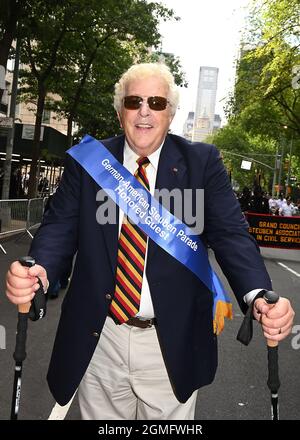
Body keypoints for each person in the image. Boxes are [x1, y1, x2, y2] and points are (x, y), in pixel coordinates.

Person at [6, 63, 294, 420]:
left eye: (156, 102)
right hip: (102, 340)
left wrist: (258, 294)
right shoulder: (89, 162)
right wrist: (38, 270)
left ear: (170, 114)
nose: (144, 110)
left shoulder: (202, 163)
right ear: (119, 112)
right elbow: (58, 229)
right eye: (134, 101)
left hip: (170, 345)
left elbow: (231, 234)